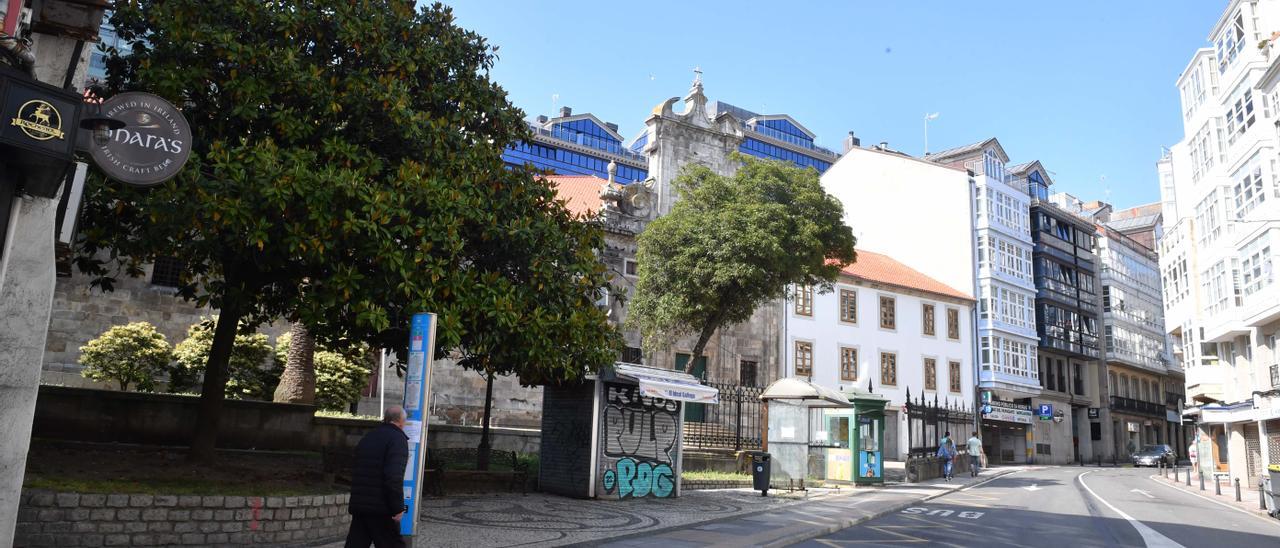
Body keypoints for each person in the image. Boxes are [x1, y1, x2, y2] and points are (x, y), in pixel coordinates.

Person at [346, 406, 410, 548]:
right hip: (381, 507)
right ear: (400, 421)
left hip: (361, 503)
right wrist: (398, 507)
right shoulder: (397, 439)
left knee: (356, 543)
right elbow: (393, 476)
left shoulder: (370, 436)